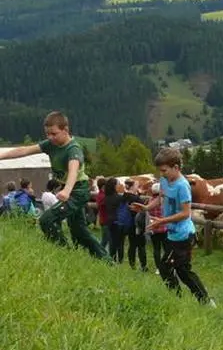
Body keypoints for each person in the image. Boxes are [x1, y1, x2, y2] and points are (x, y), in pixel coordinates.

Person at [0, 112, 108, 260]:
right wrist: (2, 155)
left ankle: (65, 253)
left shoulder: (73, 149)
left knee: (46, 220)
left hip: (77, 189)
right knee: (79, 231)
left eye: (54, 133)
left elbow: (73, 170)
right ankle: (105, 260)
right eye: (47, 134)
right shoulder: (50, 145)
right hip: (68, 189)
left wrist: (67, 191)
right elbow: (24, 150)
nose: (50, 137)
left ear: (65, 130)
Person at [136, 148, 213, 307]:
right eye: (160, 170)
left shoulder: (183, 186)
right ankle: (191, 299)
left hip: (184, 234)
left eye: (164, 170)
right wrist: (146, 208)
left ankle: (196, 300)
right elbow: (160, 199)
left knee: (173, 269)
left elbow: (186, 213)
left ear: (176, 167)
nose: (161, 174)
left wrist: (162, 221)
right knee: (176, 269)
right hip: (172, 233)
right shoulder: (164, 181)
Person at [147, 184, 169, 276]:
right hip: (164, 228)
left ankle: (158, 268)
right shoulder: (164, 201)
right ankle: (166, 266)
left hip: (154, 228)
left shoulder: (150, 201)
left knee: (156, 249)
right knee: (167, 249)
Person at [129, 198, 149, 272]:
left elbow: (140, 223)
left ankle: (142, 265)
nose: (132, 208)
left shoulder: (142, 213)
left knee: (140, 249)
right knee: (141, 249)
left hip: (140, 232)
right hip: (140, 232)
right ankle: (143, 265)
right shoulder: (141, 212)